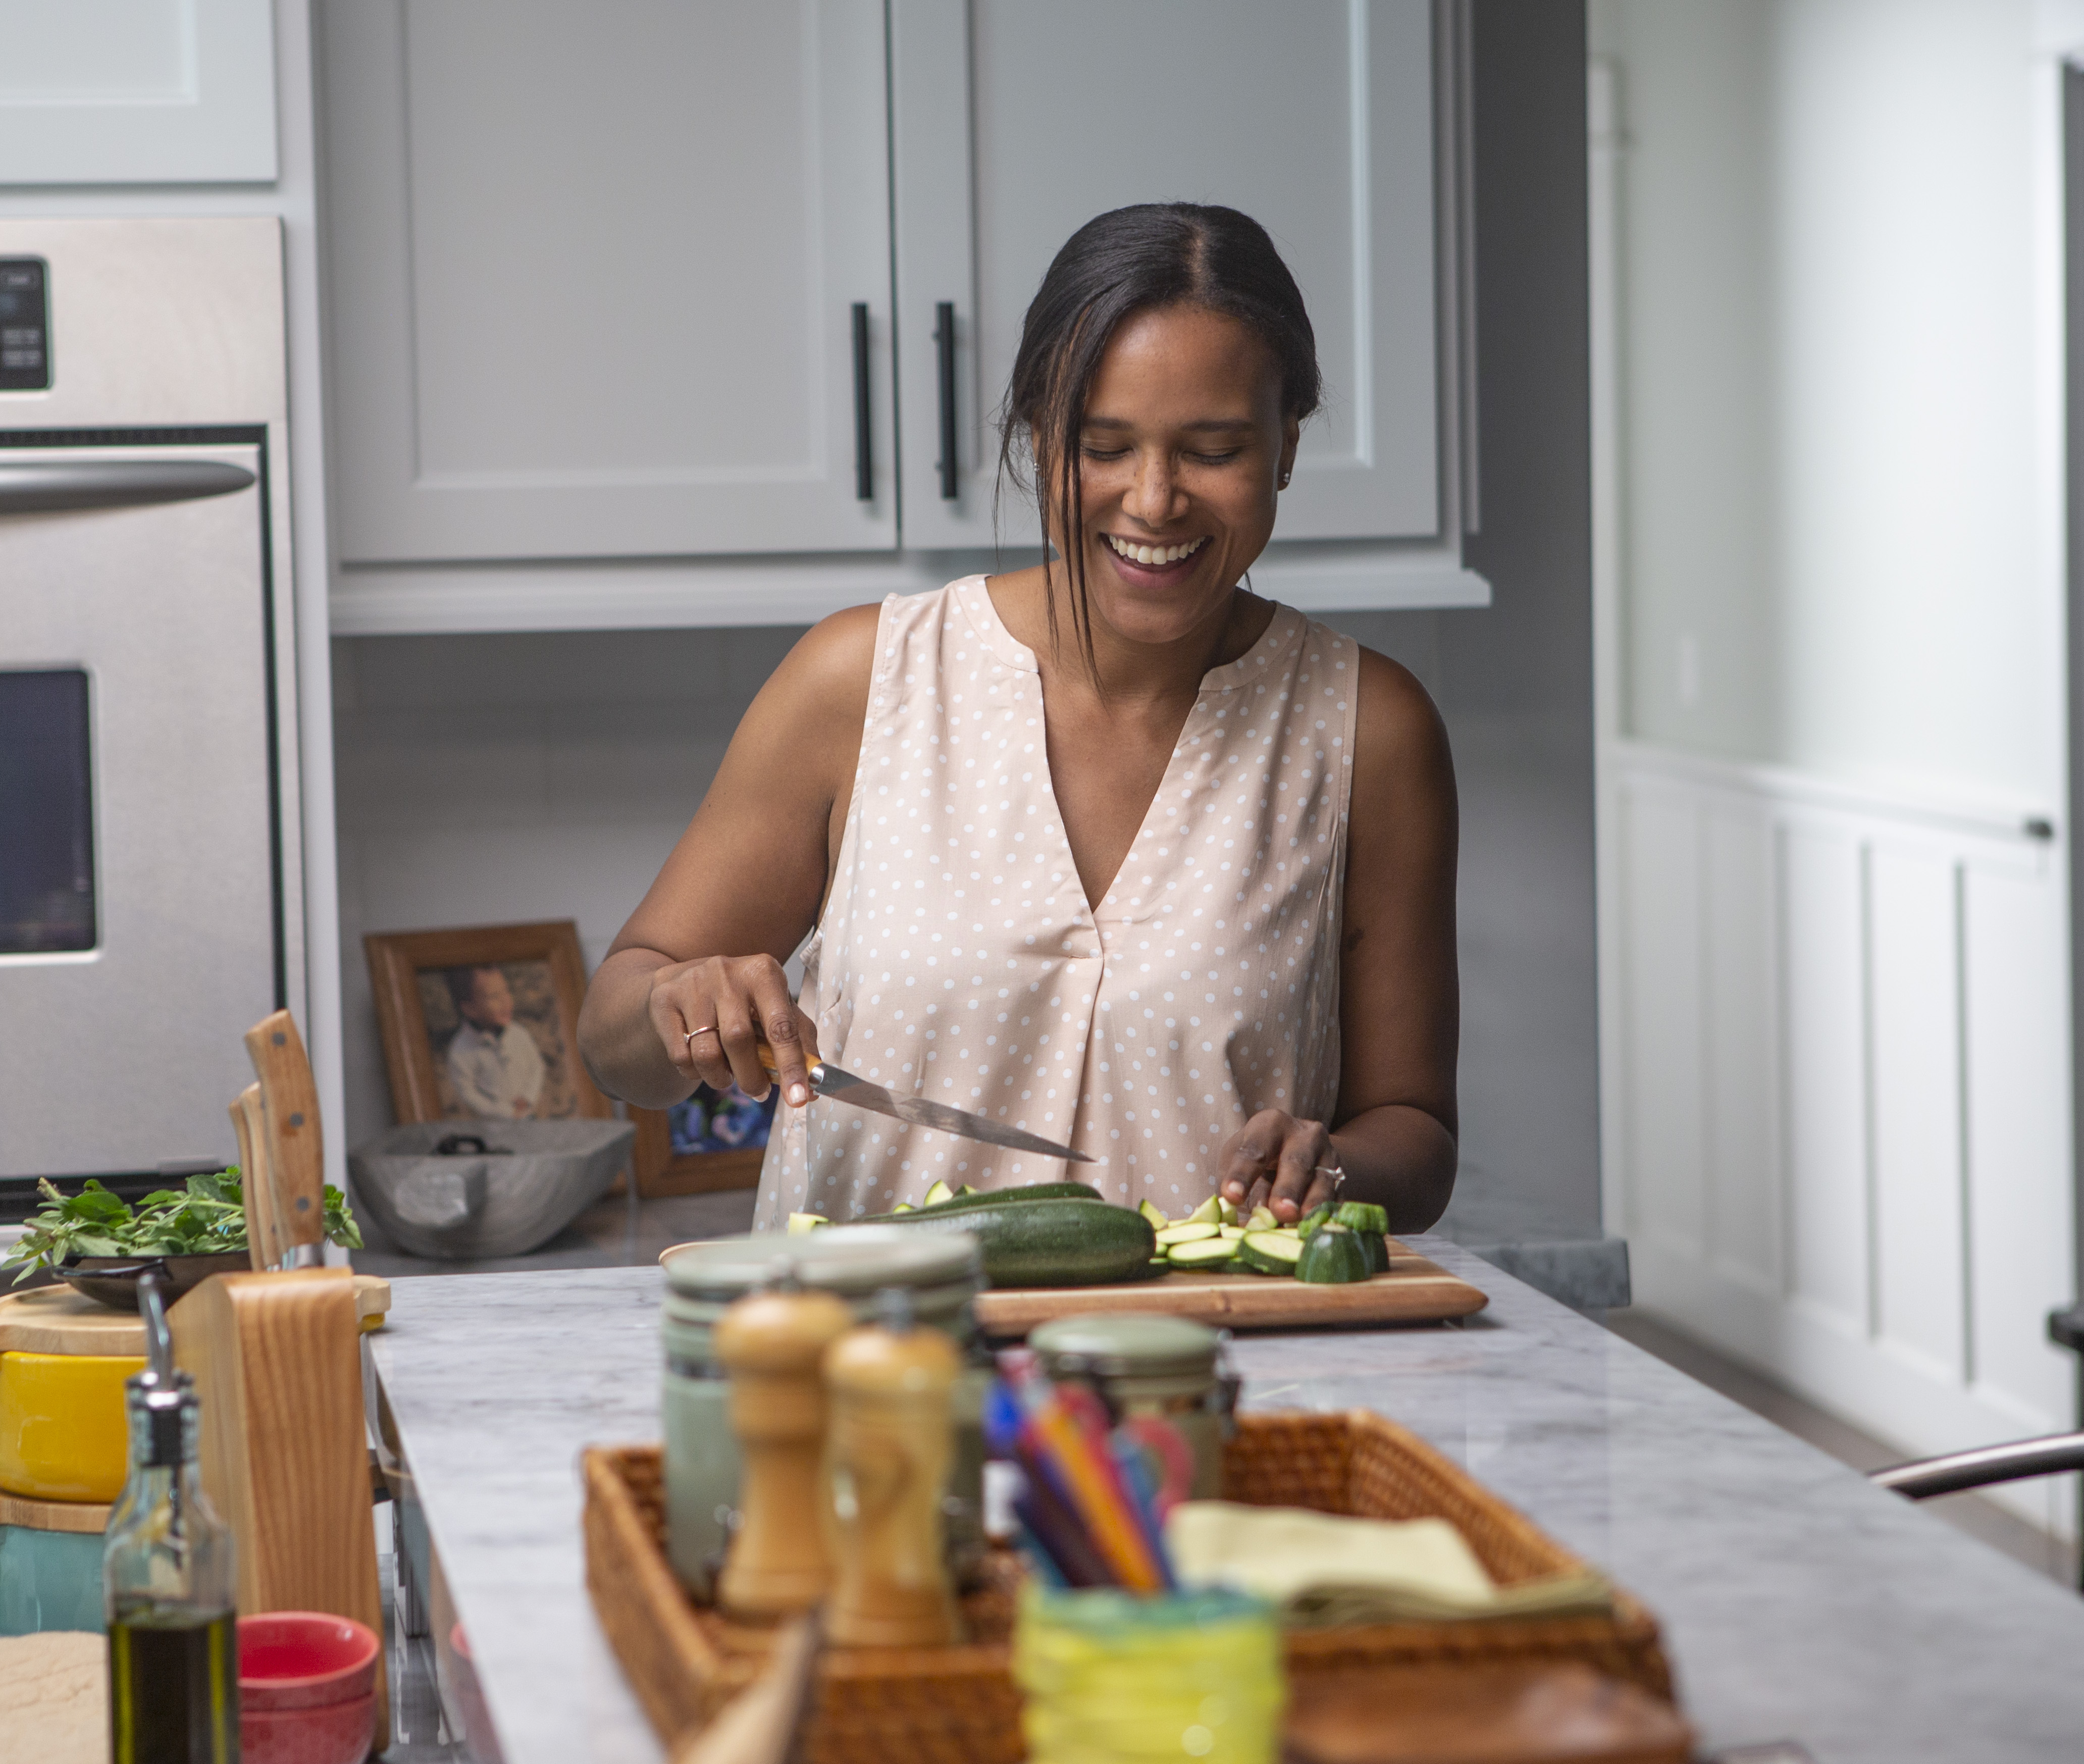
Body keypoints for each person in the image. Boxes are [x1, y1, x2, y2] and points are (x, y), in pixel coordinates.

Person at [579, 203, 1459, 1232]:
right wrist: (674, 1006)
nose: (1156, 499)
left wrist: (1331, 1169)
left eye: (1214, 448)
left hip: (1207, 1369)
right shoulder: (859, 681)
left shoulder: (1369, 731)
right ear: (1037, 438)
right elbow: (613, 1036)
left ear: (1287, 445)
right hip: (871, 1371)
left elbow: (1415, 1129)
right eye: (1103, 446)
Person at [442, 963, 550, 1120]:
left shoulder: (519, 1034)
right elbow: (468, 1093)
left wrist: (528, 1098)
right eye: (494, 996)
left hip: (528, 1114)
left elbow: (536, 1066)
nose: (505, 1001)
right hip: (494, 1123)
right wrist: (504, 1112)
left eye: (506, 991)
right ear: (470, 1009)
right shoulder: (461, 1050)